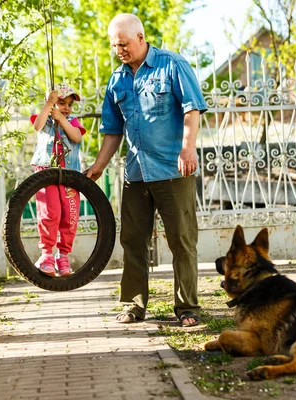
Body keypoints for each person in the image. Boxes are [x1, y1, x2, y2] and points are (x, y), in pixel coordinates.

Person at [85, 13, 207, 327]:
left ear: (140, 37)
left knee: (181, 240)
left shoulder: (172, 65)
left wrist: (188, 146)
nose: (119, 50)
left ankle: (187, 308)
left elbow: (192, 108)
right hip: (136, 174)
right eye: (114, 46)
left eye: (124, 44)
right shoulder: (117, 80)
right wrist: (99, 165)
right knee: (133, 241)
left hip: (172, 168)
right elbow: (112, 130)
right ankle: (133, 306)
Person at [30, 83, 86, 276]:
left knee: (69, 215)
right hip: (46, 172)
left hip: (69, 175)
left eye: (69, 104)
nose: (66, 107)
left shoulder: (72, 121)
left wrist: (62, 118)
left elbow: (77, 138)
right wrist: (48, 106)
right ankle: (46, 254)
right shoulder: (45, 121)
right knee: (50, 213)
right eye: (61, 103)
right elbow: (37, 126)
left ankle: (62, 255)